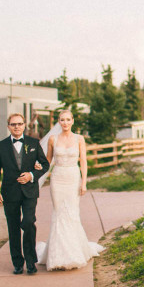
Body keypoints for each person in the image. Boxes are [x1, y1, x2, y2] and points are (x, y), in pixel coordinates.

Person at [36, 109, 104, 270]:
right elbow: (48, 160)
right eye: (62, 120)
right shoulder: (53, 139)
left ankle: (74, 252)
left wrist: (84, 183)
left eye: (68, 120)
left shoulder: (79, 139)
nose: (65, 123)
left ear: (73, 121)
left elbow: (84, 161)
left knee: (72, 213)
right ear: (58, 122)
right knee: (59, 213)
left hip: (73, 177)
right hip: (58, 178)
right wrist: (39, 167)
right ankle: (57, 254)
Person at [0, 113, 50, 275]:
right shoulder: (0, 146)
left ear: (24, 125)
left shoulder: (33, 143)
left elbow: (45, 165)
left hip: (29, 192)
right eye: (13, 124)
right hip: (10, 192)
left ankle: (31, 261)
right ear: (8, 126)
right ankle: (17, 262)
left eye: (19, 124)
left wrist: (31, 175)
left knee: (29, 222)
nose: (16, 127)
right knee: (13, 227)